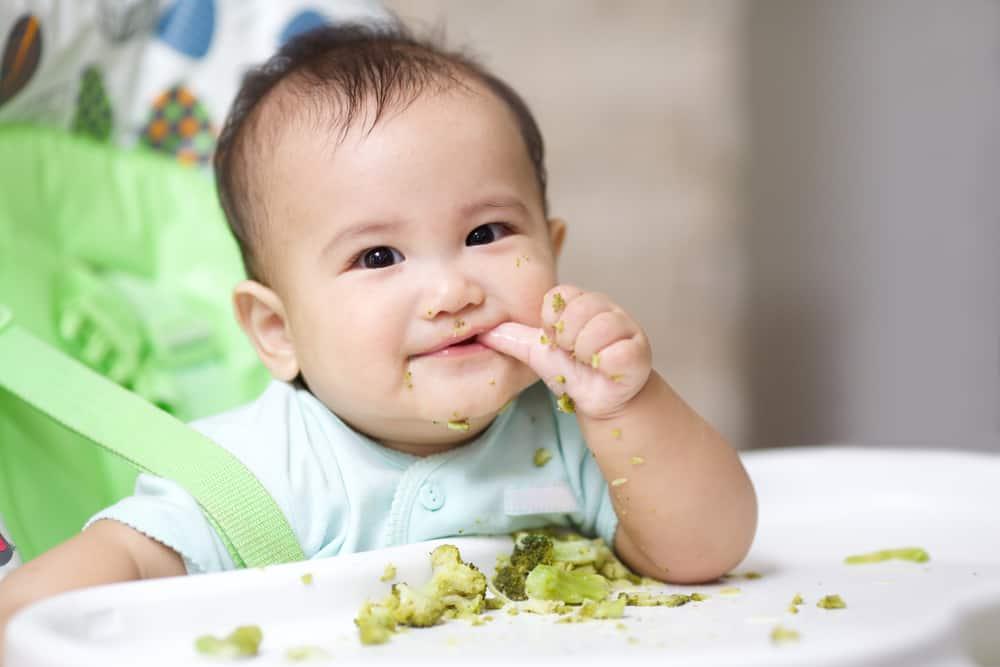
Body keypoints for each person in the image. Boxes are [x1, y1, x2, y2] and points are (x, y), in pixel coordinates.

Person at [0, 20, 756, 645]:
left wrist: (629, 406)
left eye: (487, 233)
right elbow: (123, 562)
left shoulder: (574, 436)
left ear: (553, 251)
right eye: (379, 257)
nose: (453, 290)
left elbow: (704, 549)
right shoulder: (256, 471)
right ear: (277, 329)